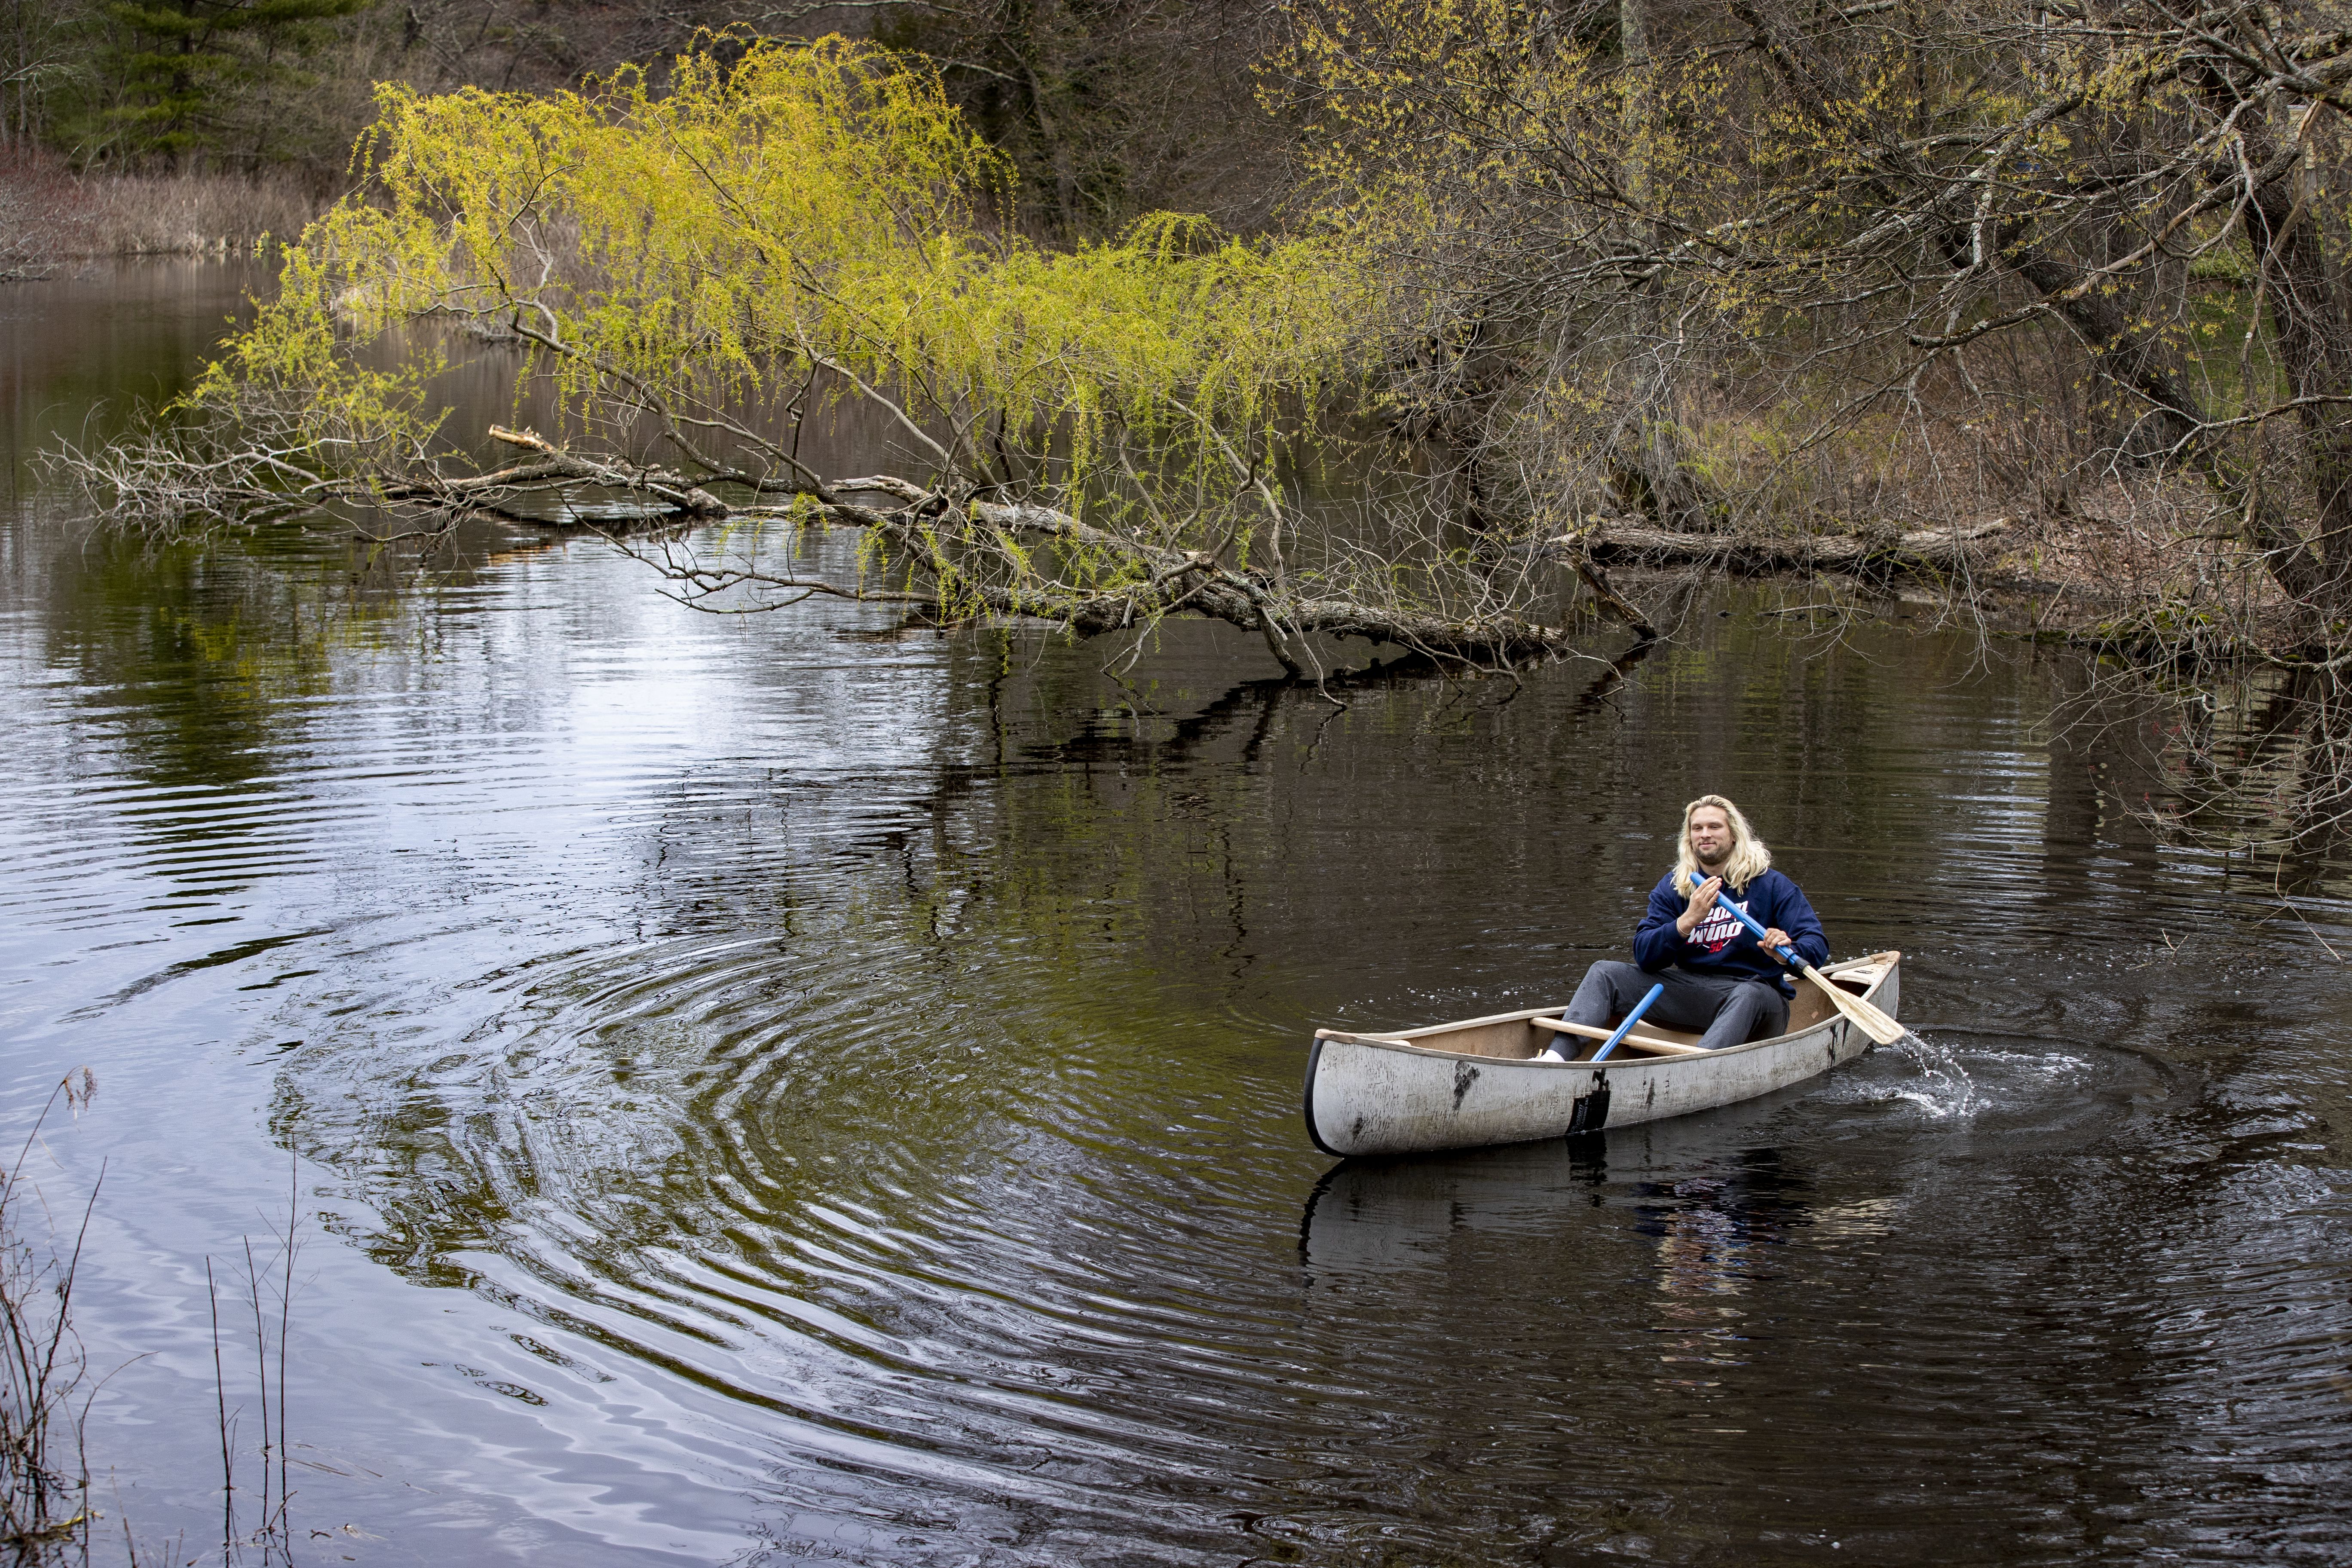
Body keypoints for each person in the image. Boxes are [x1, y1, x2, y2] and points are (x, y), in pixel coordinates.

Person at [1540, 794, 1828, 1058]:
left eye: (1715, 827)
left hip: (1759, 1001)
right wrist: (1687, 921)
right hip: (1696, 997)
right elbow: (1645, 957)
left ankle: (1695, 1068)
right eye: (1697, 828)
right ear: (1689, 838)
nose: (1705, 834)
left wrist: (1785, 951)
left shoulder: (1772, 885)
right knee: (1605, 973)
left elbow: (1816, 946)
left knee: (1748, 994)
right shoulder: (1674, 888)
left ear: (1734, 835)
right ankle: (1555, 1060)